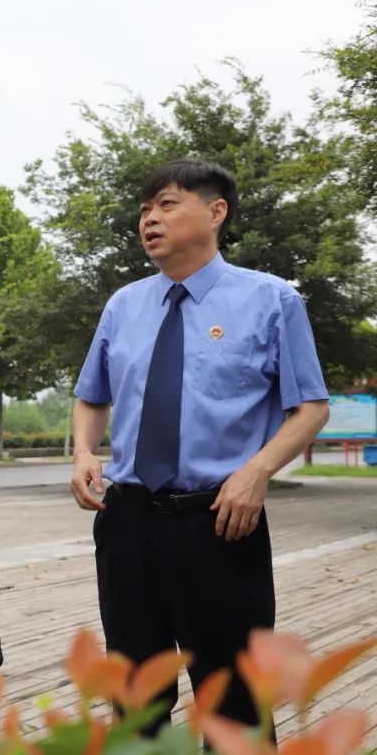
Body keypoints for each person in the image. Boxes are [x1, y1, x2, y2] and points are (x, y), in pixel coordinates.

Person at [69, 159, 330, 736]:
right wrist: (84, 451)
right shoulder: (123, 306)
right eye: (144, 210)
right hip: (128, 522)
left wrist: (258, 471)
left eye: (166, 205)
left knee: (235, 701)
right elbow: (91, 396)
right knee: (135, 698)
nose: (149, 219)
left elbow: (311, 407)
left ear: (216, 212)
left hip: (220, 521)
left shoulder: (270, 300)